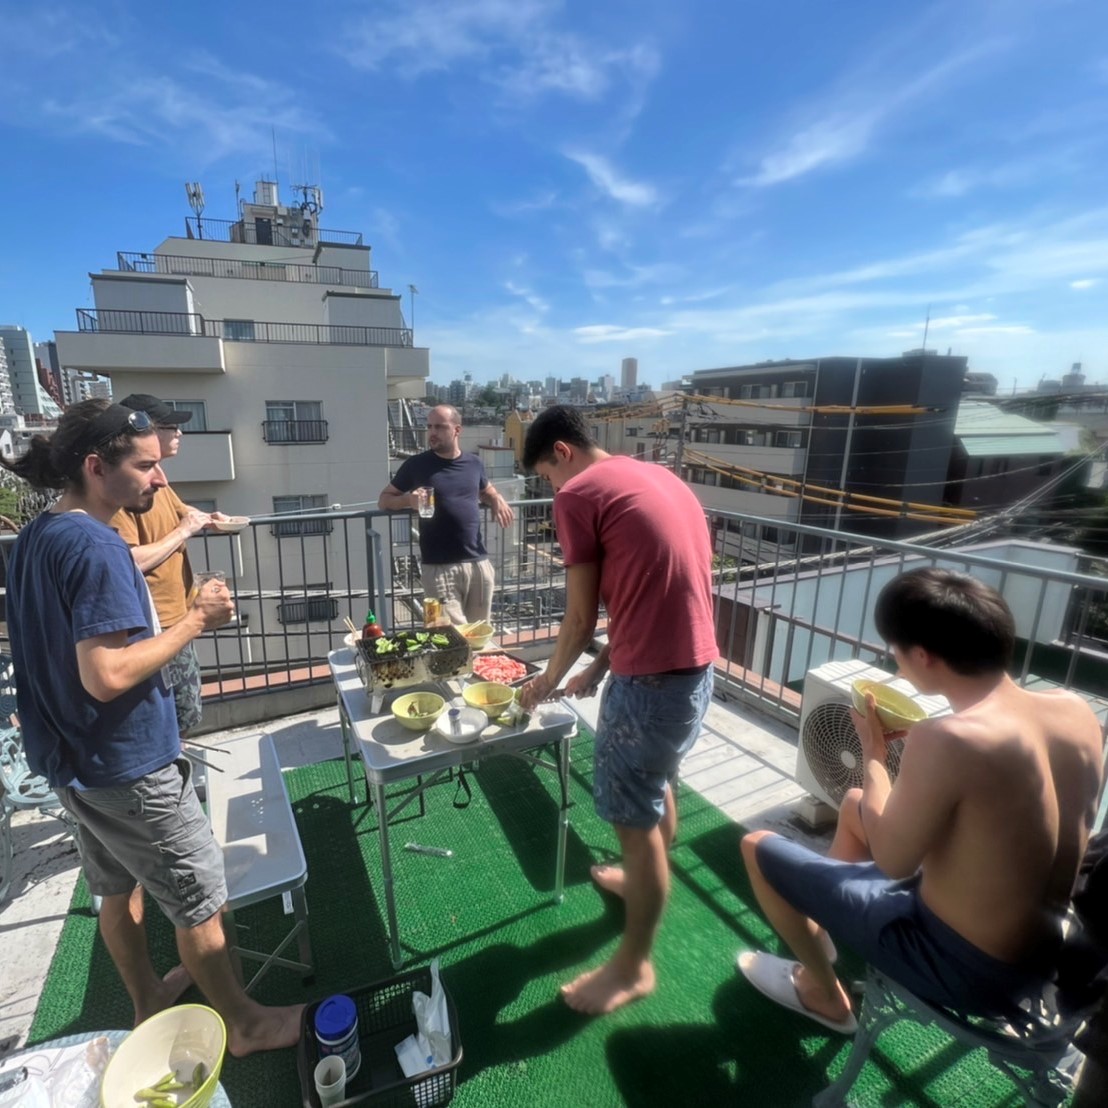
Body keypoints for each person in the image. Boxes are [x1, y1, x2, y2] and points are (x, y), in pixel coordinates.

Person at [2, 400, 303, 1055]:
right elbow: (107, 675)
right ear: (95, 466)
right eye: (146, 466)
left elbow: (84, 603)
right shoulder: (96, 544)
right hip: (127, 763)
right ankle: (245, 1025)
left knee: (116, 887)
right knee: (201, 896)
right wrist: (195, 620)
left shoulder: (40, 535)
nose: (161, 479)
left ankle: (148, 1000)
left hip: (70, 761)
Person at [738, 568, 1104, 1034]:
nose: (894, 663)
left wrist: (873, 750)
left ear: (923, 656)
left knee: (758, 848)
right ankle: (824, 931)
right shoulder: (1074, 710)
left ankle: (824, 996)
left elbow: (892, 860)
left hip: (963, 968)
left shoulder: (949, 738)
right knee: (854, 804)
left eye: (895, 650)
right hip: (1045, 950)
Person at [518, 405, 717, 1014]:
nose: (552, 490)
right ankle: (640, 880)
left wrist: (543, 683)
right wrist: (600, 667)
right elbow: (657, 589)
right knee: (656, 785)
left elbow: (579, 618)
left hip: (652, 685)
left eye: (545, 476)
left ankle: (634, 967)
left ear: (562, 453)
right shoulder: (653, 476)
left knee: (633, 821)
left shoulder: (577, 493)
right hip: (696, 671)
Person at [110, 393, 229, 735]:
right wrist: (184, 530)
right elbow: (128, 559)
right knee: (172, 718)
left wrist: (206, 518)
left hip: (177, 617)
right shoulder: (123, 492)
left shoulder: (156, 481)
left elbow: (183, 513)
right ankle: (171, 777)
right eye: (170, 426)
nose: (180, 433)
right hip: (153, 626)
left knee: (186, 711)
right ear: (143, 431)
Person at [377, 404, 514, 624]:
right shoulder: (416, 465)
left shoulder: (474, 463)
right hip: (438, 567)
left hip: (478, 563)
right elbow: (384, 500)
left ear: (457, 430)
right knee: (446, 636)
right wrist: (407, 500)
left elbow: (485, 489)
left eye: (439, 427)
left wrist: (496, 497)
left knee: (480, 635)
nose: (432, 432)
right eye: (429, 426)